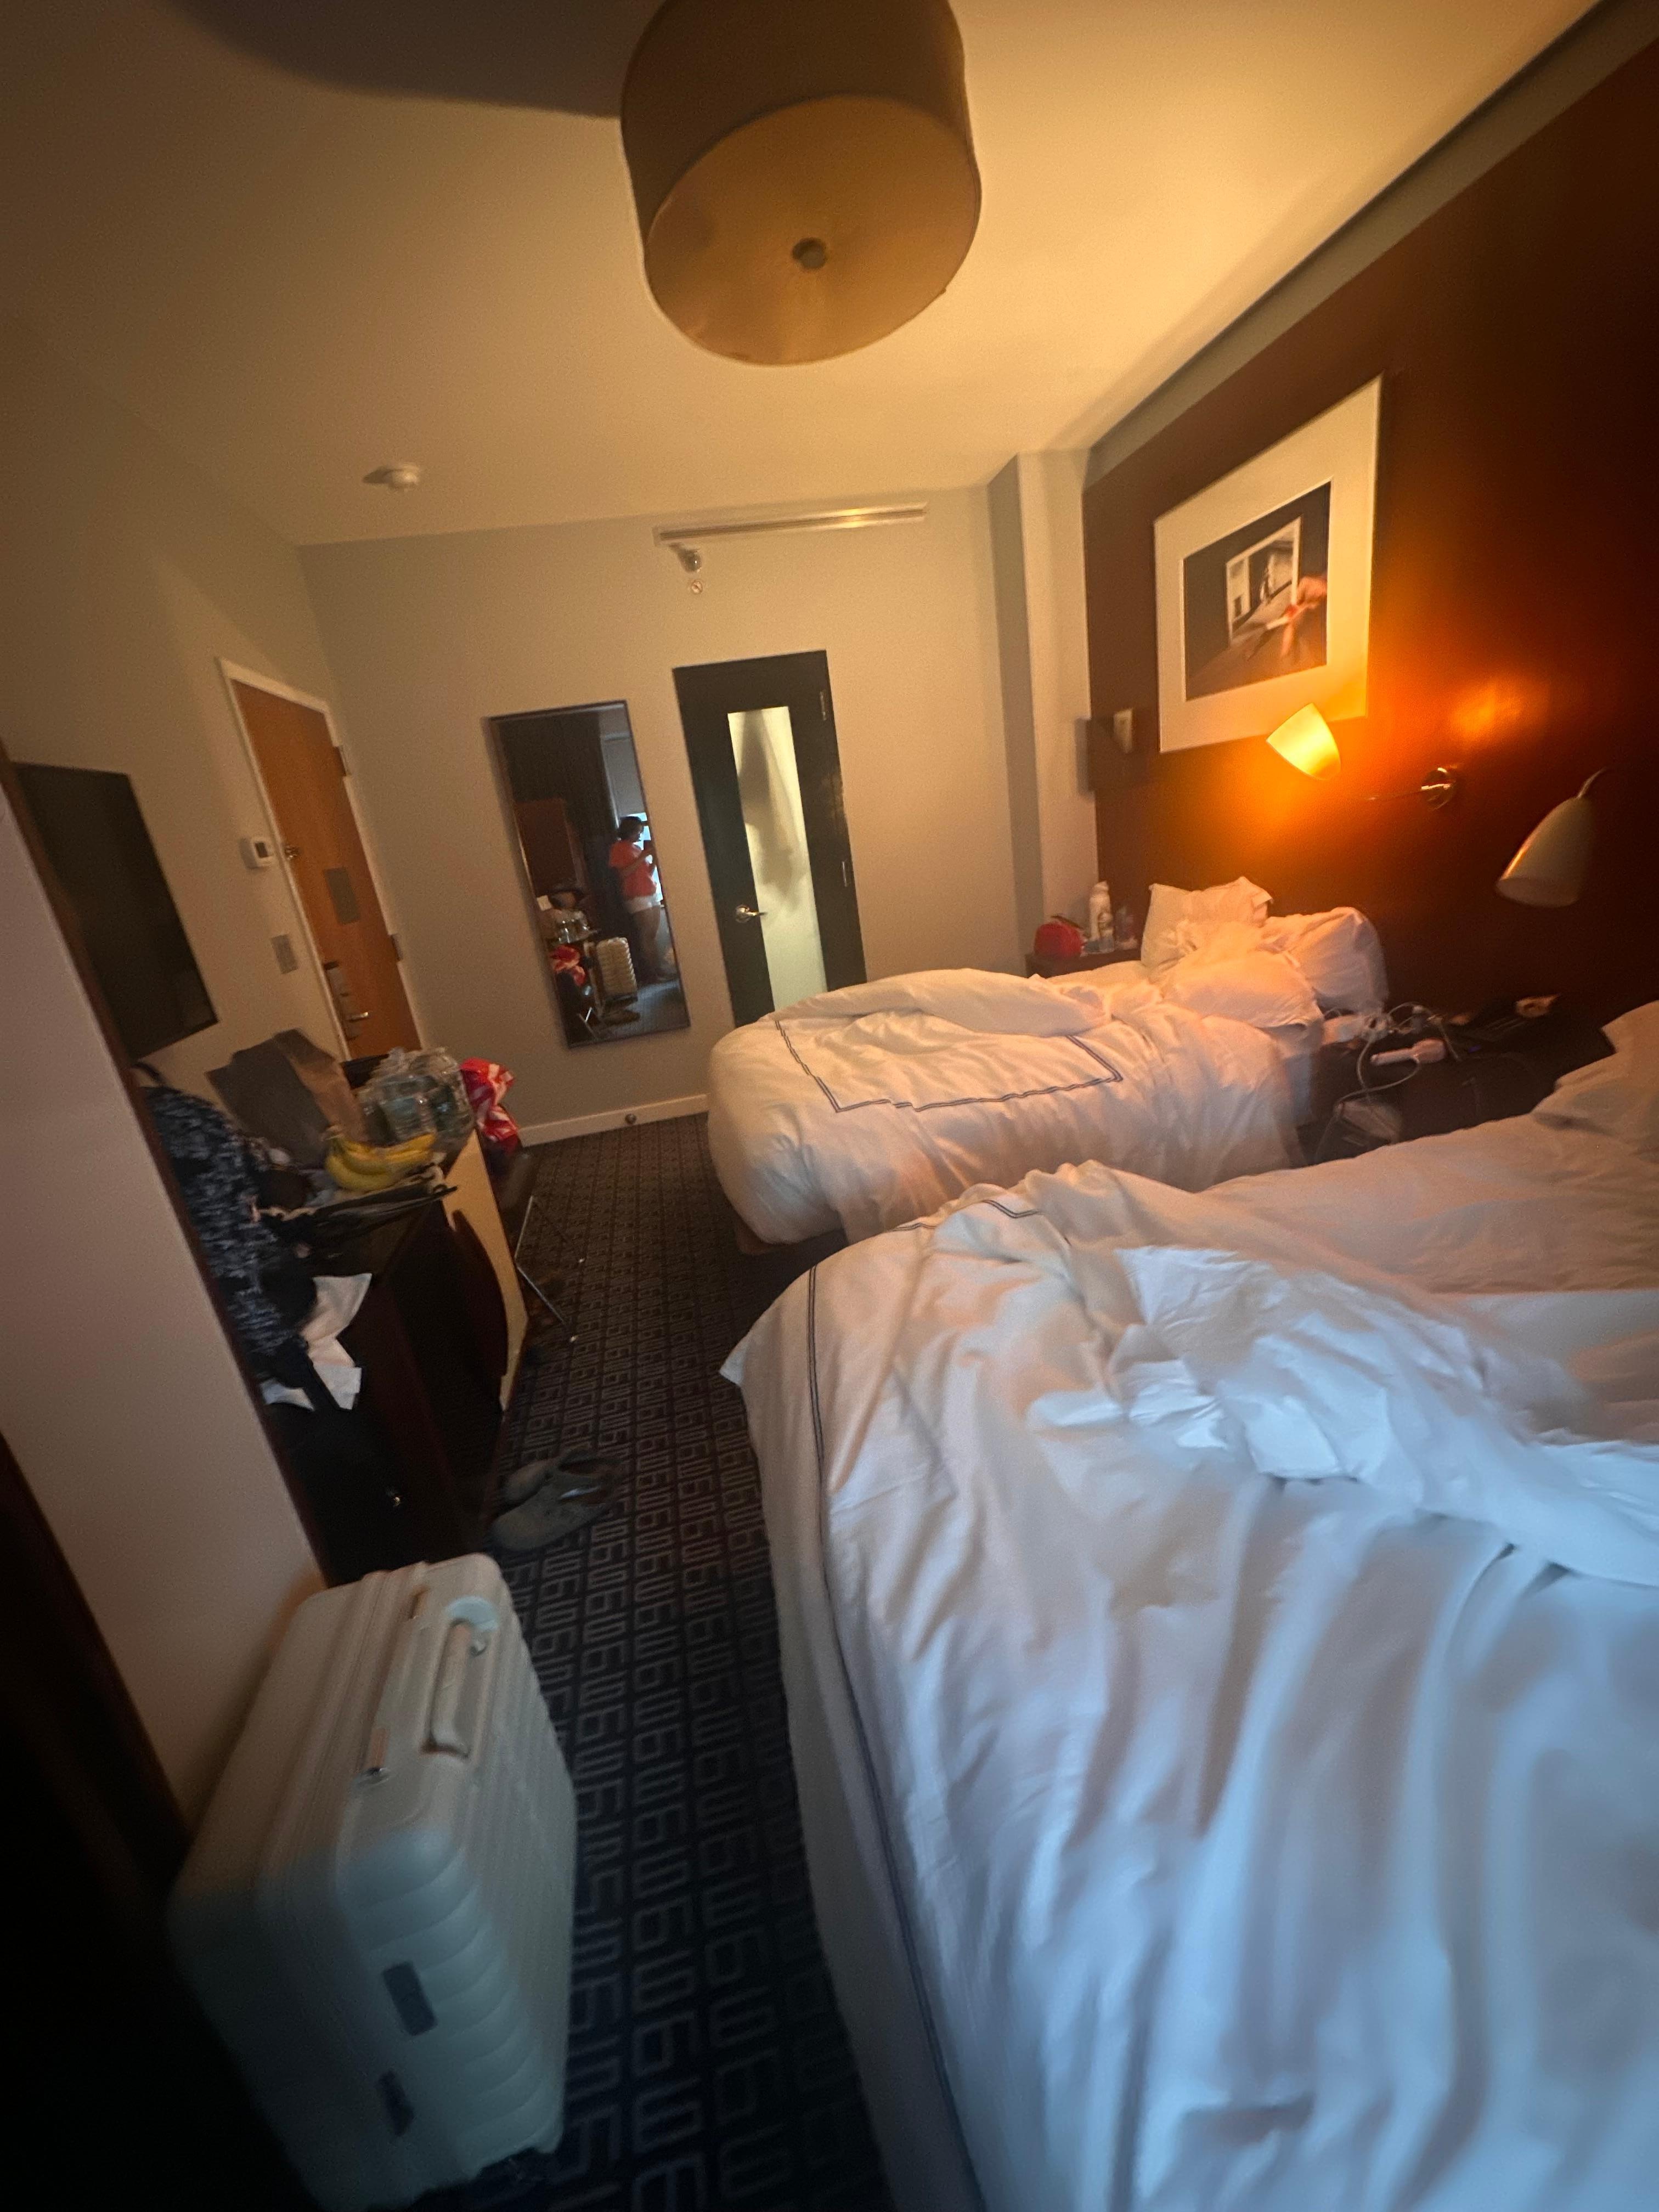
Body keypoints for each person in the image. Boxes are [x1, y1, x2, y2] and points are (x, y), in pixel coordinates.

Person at [608, 816, 672, 981]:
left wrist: (654, 860)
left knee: (652, 936)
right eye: (638, 832)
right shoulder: (618, 848)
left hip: (650, 892)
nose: (640, 835)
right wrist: (643, 856)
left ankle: (659, 969)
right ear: (629, 831)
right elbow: (623, 874)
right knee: (646, 936)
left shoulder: (635, 848)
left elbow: (646, 874)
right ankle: (652, 974)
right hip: (636, 896)